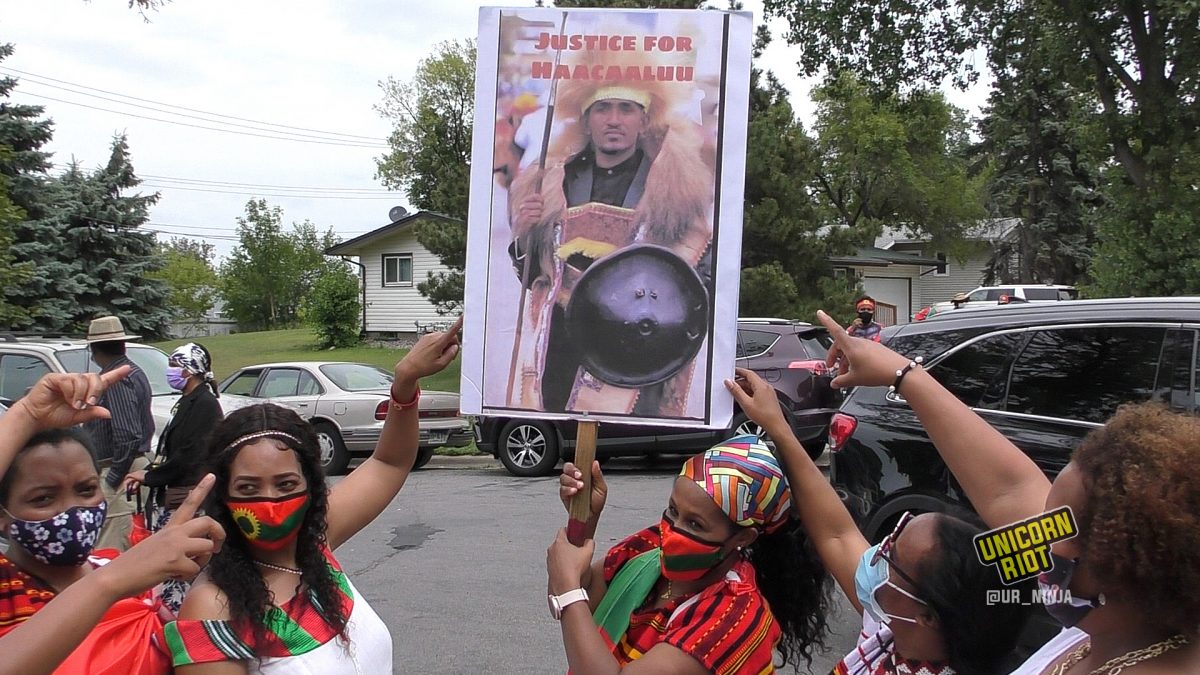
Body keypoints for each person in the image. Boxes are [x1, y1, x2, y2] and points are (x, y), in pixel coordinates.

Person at [814, 310, 1200, 674]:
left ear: (1115, 564)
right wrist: (902, 375)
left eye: (1054, 525)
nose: (1034, 531)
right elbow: (1010, 489)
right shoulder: (1110, 629)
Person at [168, 319, 461, 674]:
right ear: (222, 495)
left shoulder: (313, 545)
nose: (270, 502)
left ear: (312, 488)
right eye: (248, 488)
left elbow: (389, 462)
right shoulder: (211, 608)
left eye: (286, 484)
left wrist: (404, 382)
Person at [726, 367, 1030, 674]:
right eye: (890, 543)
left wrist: (903, 373)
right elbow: (838, 534)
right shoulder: (895, 631)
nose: (875, 557)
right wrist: (778, 426)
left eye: (891, 561)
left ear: (927, 616)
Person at [507, 74, 713, 417]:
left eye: (626, 109)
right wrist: (527, 233)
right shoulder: (554, 183)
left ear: (643, 120)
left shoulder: (671, 191)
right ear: (587, 120)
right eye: (602, 108)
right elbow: (534, 278)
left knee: (621, 436)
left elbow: (694, 277)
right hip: (559, 348)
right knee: (561, 431)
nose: (614, 120)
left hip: (634, 352)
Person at [0, 368, 225, 675]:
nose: (73, 512)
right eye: (43, 498)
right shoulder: (10, 590)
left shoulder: (131, 574)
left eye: (86, 490)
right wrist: (25, 415)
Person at [547, 438, 832, 673]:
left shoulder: (735, 615)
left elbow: (570, 594)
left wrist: (569, 586)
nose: (672, 532)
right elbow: (574, 602)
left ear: (743, 538)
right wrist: (582, 521)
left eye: (695, 524)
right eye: (673, 511)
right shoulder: (649, 548)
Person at [124, 342, 224, 613]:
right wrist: (150, 473)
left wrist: (150, 476)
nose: (170, 370)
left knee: (178, 563)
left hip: (187, 497)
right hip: (175, 493)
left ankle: (182, 617)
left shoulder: (204, 405)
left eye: (174, 365)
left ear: (189, 370)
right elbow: (172, 452)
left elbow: (190, 456)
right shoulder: (188, 402)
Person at [84, 315, 155, 551]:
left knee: (112, 546)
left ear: (95, 350)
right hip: (128, 466)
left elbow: (127, 434)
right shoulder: (134, 371)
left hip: (122, 468)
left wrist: (113, 477)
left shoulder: (116, 378)